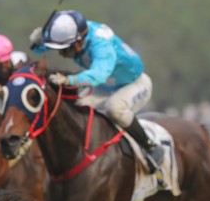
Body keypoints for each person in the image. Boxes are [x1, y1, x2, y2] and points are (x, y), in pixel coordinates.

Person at [28, 10, 164, 172]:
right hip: (107, 86)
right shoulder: (77, 34)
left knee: (114, 108)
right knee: (75, 104)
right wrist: (38, 44)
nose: (61, 54)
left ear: (79, 42)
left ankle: (151, 146)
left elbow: (99, 74)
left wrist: (69, 80)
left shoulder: (102, 46)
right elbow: (49, 45)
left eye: (65, 49)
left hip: (135, 84)